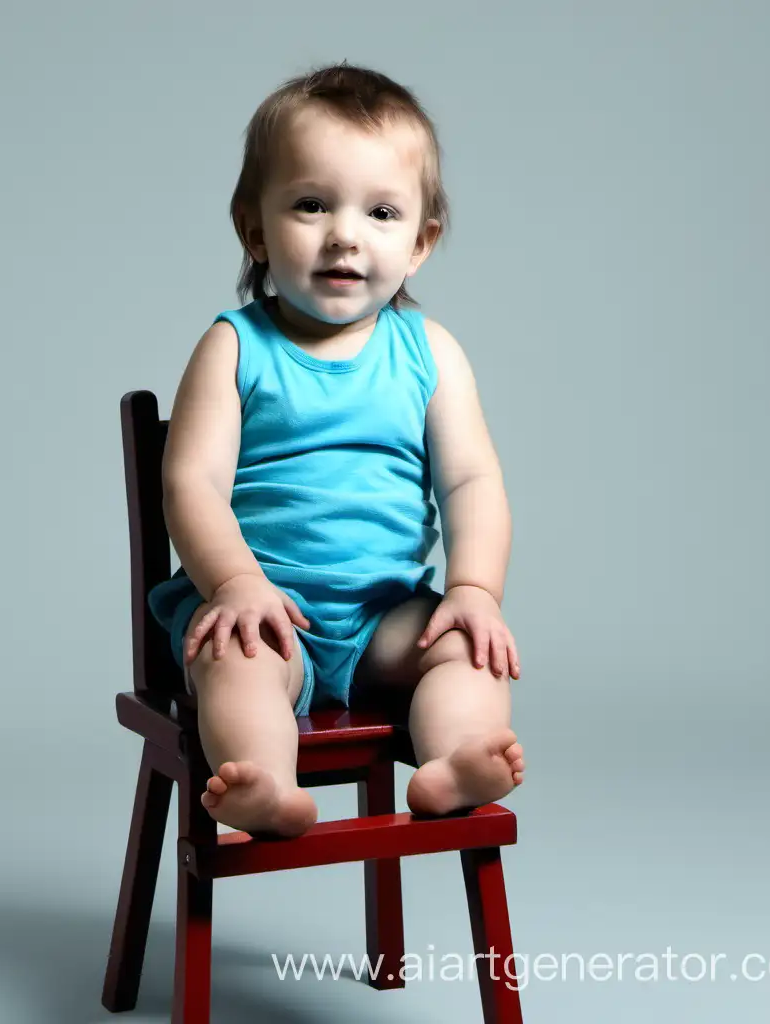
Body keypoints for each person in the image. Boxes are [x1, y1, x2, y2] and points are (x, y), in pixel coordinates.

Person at [148, 62, 524, 838]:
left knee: (465, 648)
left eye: (381, 213)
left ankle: (454, 759)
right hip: (260, 606)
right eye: (312, 205)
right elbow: (191, 482)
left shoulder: (431, 353)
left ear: (420, 243)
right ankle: (264, 784)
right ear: (255, 229)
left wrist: (475, 589)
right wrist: (234, 582)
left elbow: (472, 482)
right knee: (238, 663)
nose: (345, 235)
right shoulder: (234, 348)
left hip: (384, 617)